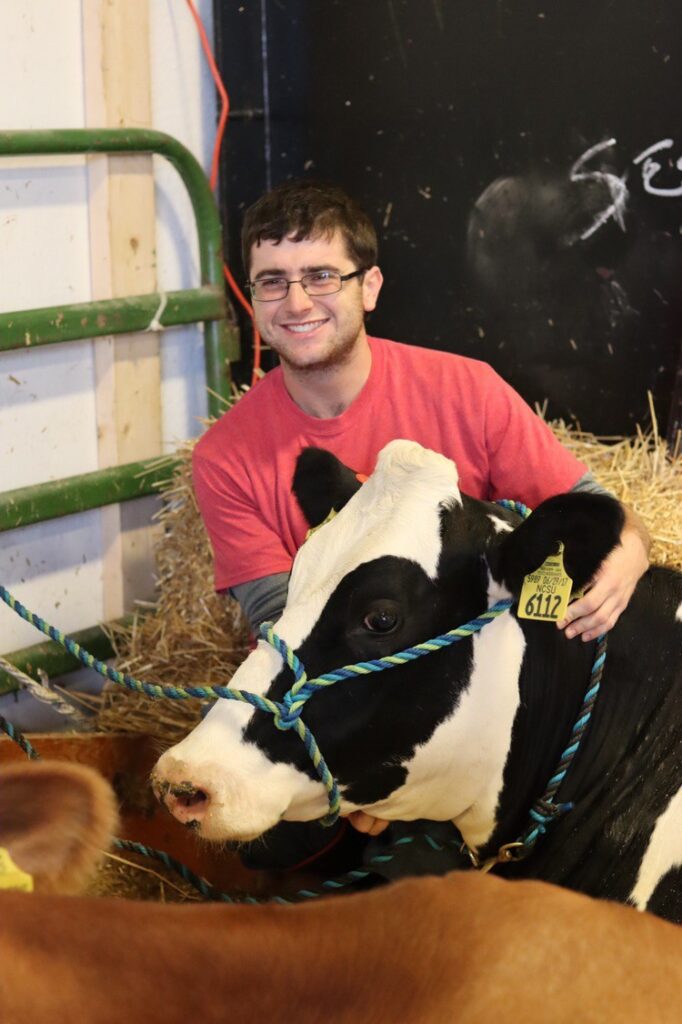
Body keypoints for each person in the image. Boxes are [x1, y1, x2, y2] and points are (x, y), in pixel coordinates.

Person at [193, 179, 650, 857]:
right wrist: (363, 770)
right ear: (250, 297)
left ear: (369, 286)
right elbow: (284, 621)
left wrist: (632, 548)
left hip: (485, 699)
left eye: (321, 276)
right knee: (262, 836)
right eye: (272, 281)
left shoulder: (466, 389)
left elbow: (586, 505)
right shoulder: (225, 456)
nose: (296, 302)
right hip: (354, 698)